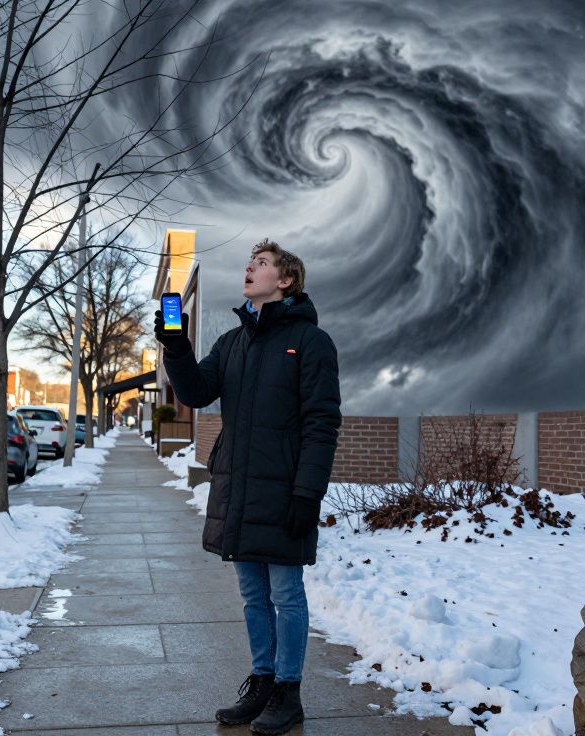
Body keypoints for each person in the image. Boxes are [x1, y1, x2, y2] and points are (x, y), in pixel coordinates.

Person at [153, 239, 341, 735]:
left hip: (284, 490)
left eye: (261, 264)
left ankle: (288, 691)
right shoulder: (232, 343)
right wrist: (176, 347)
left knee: (286, 592)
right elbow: (196, 391)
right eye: (248, 263)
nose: (249, 269)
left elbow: (322, 423)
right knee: (253, 595)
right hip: (239, 487)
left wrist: (308, 493)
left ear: (286, 280)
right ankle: (262, 683)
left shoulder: (311, 341)